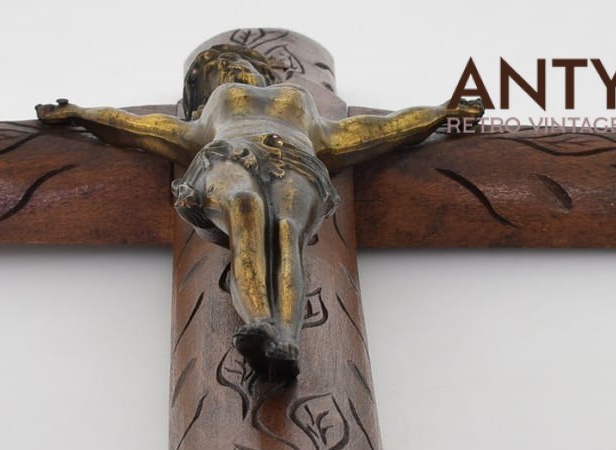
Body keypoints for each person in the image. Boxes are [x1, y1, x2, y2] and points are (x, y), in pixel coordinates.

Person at [38, 44, 483, 380]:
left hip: (296, 162)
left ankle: (285, 341)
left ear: (258, 68)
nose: (229, 69)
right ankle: (259, 324)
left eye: (233, 60)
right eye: (215, 71)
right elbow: (147, 128)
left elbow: (371, 130)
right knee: (244, 210)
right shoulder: (211, 113)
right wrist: (82, 114)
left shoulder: (301, 105)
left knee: (287, 232)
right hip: (228, 156)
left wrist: (441, 113)